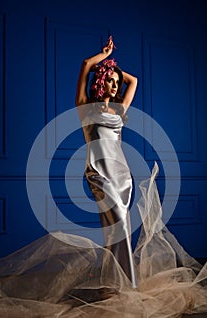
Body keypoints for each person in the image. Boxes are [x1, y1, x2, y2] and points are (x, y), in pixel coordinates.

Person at [75, 36, 138, 288]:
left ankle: (113, 284)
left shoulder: (121, 110)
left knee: (116, 229)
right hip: (99, 174)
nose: (114, 84)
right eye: (109, 81)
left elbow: (132, 81)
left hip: (122, 175)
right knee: (119, 224)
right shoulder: (84, 107)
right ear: (101, 82)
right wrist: (104, 57)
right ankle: (126, 284)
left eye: (115, 82)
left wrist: (115, 69)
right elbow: (85, 64)